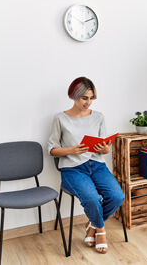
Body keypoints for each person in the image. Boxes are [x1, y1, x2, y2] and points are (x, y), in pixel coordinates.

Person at [47, 77, 125, 254]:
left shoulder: (99, 117)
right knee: (92, 199)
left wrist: (105, 148)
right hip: (73, 169)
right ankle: (101, 231)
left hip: (97, 165)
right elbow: (51, 149)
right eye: (84, 98)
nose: (88, 102)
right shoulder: (60, 119)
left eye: (91, 98)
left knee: (117, 196)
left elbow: (105, 150)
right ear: (74, 96)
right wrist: (70, 150)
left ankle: (92, 225)